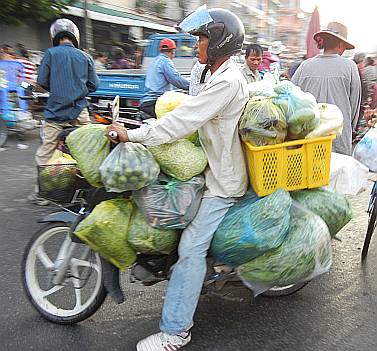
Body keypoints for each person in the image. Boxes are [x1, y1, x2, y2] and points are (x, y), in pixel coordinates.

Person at [107, 8, 248, 350]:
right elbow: (190, 106)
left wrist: (134, 135)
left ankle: (176, 331)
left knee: (191, 247)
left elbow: (185, 119)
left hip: (223, 180)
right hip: (207, 165)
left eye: (201, 38)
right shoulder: (212, 72)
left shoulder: (229, 80)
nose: (197, 45)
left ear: (218, 42)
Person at [28, 18, 99, 205]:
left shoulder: (50, 54)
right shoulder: (85, 57)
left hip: (55, 113)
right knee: (88, 149)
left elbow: (41, 83)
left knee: (46, 152)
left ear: (55, 36)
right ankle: (91, 189)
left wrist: (57, 88)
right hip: (79, 113)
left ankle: (41, 194)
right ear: (75, 36)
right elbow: (94, 85)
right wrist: (77, 89)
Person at [292, 22, 361, 156]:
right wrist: (348, 127)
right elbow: (354, 105)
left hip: (309, 137)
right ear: (341, 44)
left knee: (309, 174)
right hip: (338, 138)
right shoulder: (350, 67)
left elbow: (293, 101)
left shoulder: (304, 66)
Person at [139, 38, 189, 118]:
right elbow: (177, 80)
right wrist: (192, 85)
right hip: (156, 101)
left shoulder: (155, 61)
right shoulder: (166, 61)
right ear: (173, 51)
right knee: (181, 116)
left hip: (147, 101)